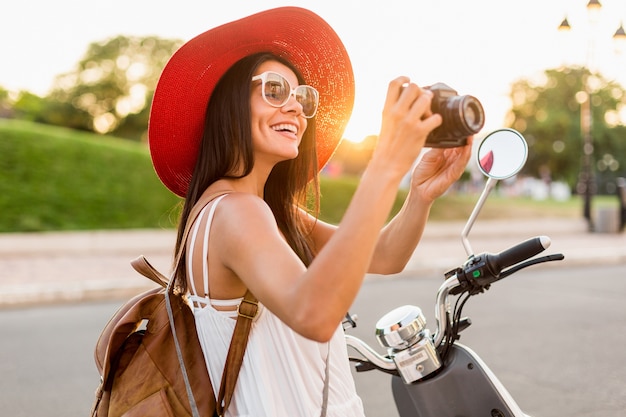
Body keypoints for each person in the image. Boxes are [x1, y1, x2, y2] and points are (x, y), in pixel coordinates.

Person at [148, 6, 472, 417]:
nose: (296, 108)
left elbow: (386, 255)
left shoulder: (262, 212)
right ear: (229, 105)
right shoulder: (235, 212)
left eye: (302, 97)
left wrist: (420, 195)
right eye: (274, 91)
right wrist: (386, 164)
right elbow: (314, 313)